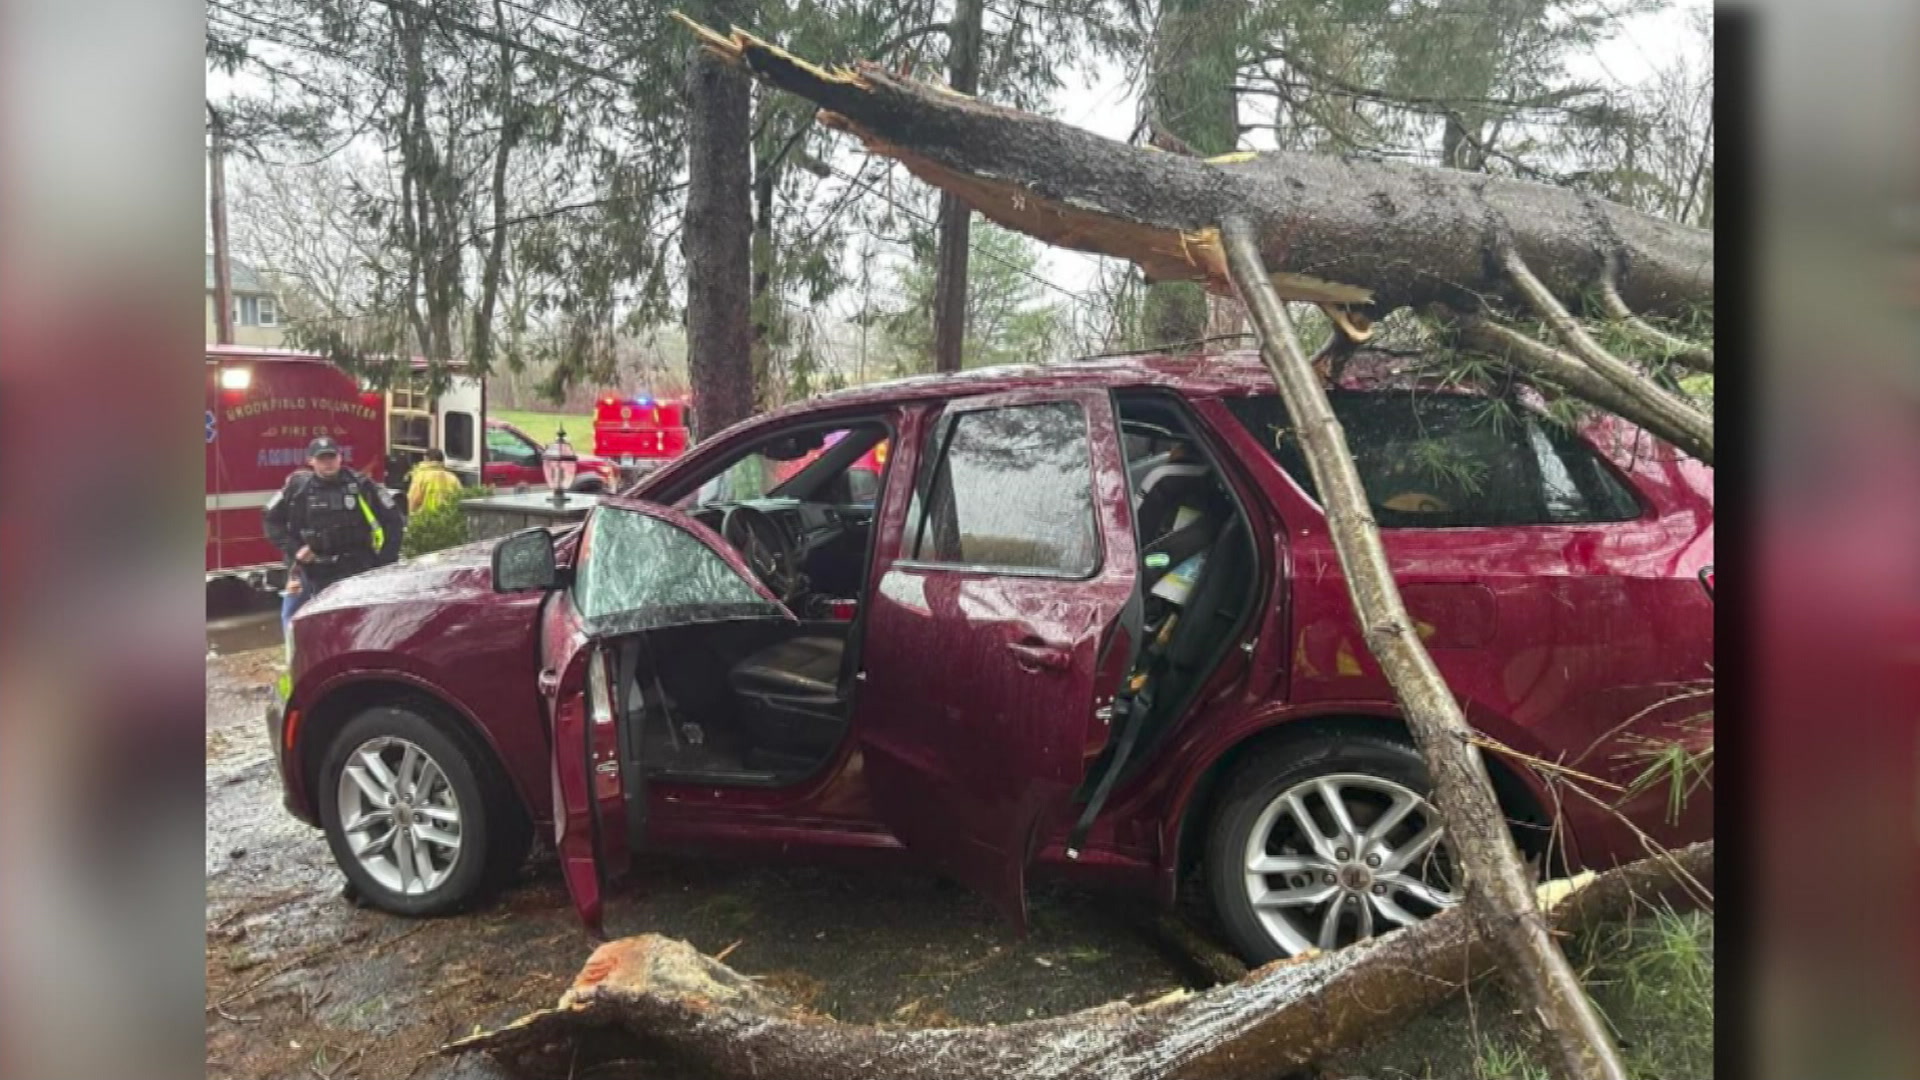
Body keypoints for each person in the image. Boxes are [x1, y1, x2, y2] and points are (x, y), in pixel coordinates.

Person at [265, 436, 405, 631]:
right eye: (322, 458)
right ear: (311, 461)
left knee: (357, 623)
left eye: (331, 457)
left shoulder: (361, 485)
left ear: (340, 458)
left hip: (354, 567)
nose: (328, 463)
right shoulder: (297, 488)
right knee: (293, 619)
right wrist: (295, 549)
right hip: (311, 568)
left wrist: (384, 561)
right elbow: (271, 520)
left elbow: (394, 522)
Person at [407, 447, 463, 514]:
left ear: (426, 459)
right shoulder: (453, 478)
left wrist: (411, 514)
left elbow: (413, 500)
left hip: (426, 517)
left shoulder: (421, 476)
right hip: (446, 517)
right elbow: (460, 499)